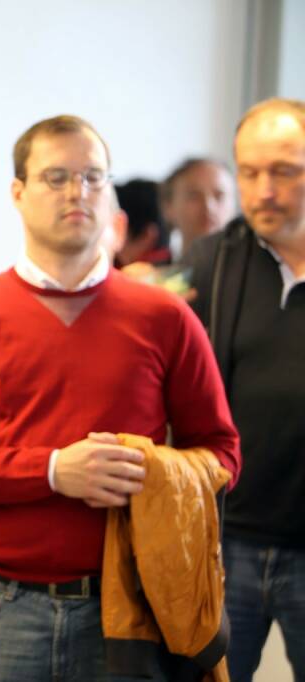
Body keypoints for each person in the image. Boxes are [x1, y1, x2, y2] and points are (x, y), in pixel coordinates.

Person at [0, 114, 240, 682]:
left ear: (110, 195)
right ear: (18, 192)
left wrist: (153, 471)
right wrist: (56, 470)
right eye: (56, 177)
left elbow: (221, 454)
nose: (76, 192)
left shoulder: (165, 317)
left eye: (92, 177)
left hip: (129, 610)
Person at [185, 97, 305, 681]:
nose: (264, 191)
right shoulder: (214, 261)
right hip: (227, 540)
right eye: (250, 172)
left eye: (284, 171)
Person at [162, 158, 236, 261]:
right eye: (194, 195)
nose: (209, 207)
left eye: (219, 196)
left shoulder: (255, 267)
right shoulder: (150, 270)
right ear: (168, 207)